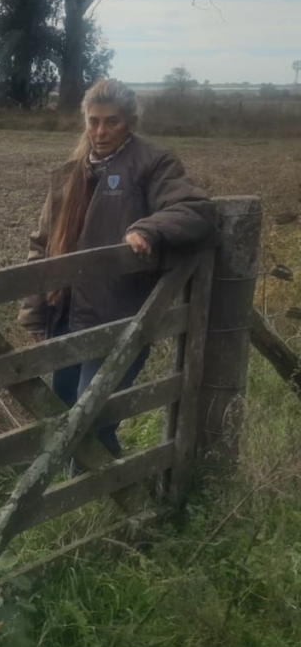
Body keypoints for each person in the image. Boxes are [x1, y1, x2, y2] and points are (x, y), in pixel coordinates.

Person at [17, 78, 218, 460]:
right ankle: (91, 492)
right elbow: (42, 245)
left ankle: (106, 490)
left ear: (130, 123)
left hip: (117, 319)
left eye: (112, 122)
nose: (100, 131)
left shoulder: (152, 164)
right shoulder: (70, 174)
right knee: (62, 413)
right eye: (93, 122)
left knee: (91, 420)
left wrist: (148, 229)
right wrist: (36, 311)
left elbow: (197, 210)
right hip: (65, 315)